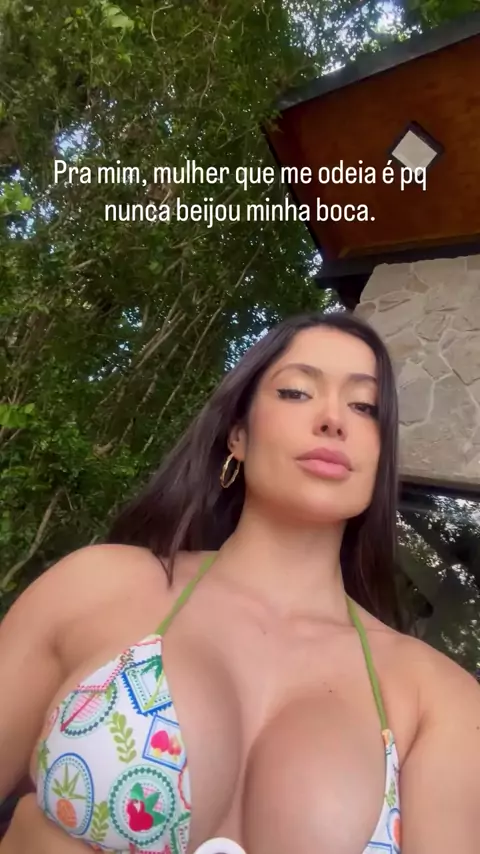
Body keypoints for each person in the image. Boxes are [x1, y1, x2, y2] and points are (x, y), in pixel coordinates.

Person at [0, 311, 479, 854]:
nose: (333, 420)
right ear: (239, 436)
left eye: (364, 407)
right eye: (297, 392)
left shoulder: (441, 703)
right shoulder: (97, 586)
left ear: (379, 456)